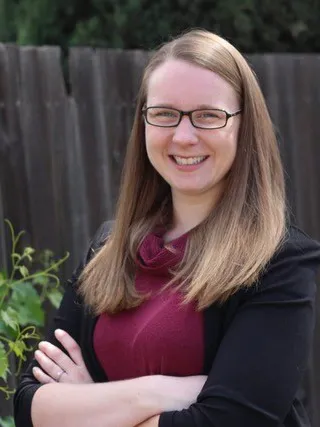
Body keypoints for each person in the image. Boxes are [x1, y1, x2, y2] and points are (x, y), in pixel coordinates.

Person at [14, 29, 320, 427]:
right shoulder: (108, 248)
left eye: (208, 115)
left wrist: (87, 407)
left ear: (245, 126)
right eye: (164, 114)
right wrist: (157, 391)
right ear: (144, 122)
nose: (184, 135)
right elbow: (27, 404)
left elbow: (230, 420)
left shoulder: (279, 262)